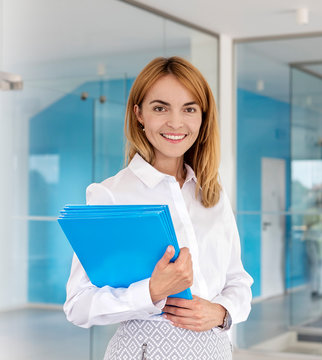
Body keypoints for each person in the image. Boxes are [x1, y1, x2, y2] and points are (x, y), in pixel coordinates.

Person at [64, 56, 253, 360]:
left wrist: (221, 312)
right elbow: (78, 305)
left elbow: (238, 281)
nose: (176, 123)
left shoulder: (214, 194)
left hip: (216, 350)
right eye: (160, 108)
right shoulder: (110, 195)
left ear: (203, 117)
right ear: (139, 114)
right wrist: (151, 291)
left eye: (189, 109)